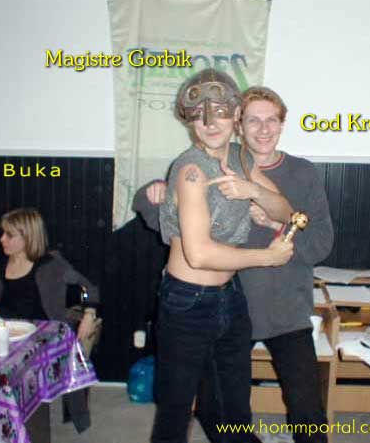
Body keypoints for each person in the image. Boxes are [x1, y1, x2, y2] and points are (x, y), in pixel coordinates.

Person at [134, 86, 334, 443]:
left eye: (271, 120)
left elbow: (310, 233)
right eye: (253, 120)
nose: (263, 129)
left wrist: (262, 205)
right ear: (240, 123)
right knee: (196, 411)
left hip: (268, 307)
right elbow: (187, 242)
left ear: (281, 124)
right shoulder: (201, 166)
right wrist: (157, 195)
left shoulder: (268, 167)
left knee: (294, 410)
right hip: (214, 299)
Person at [0, 207, 100, 433]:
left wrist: (89, 313)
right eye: (3, 233)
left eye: (9, 235)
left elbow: (89, 288)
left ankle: (29, 421)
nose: (1, 239)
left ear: (27, 237)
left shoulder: (52, 265)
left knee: (19, 369)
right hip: (5, 337)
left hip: (46, 340)